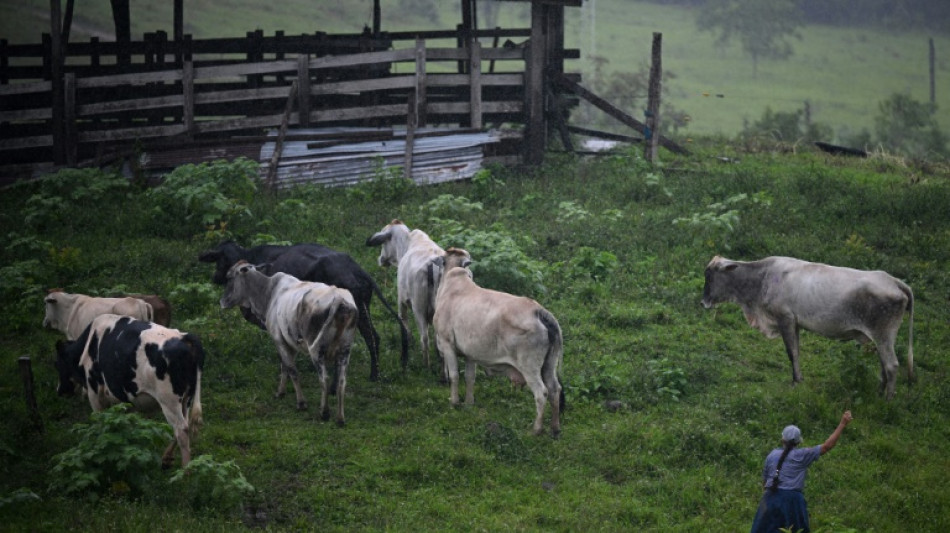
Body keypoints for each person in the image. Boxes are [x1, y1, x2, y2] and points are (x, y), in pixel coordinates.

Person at [750, 410, 854, 533]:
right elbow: (827, 446)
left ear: (782, 439)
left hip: (770, 497)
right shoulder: (802, 455)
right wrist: (842, 424)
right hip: (792, 501)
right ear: (798, 442)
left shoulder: (772, 455)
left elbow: (765, 482)